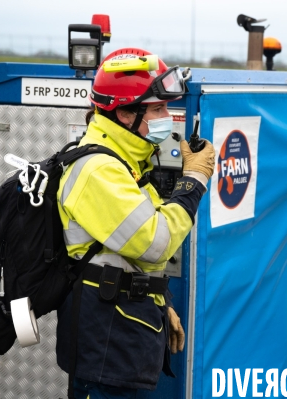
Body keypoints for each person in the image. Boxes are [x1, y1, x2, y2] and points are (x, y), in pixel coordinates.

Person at [55, 47, 215, 399]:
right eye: (158, 108)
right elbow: (157, 242)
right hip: (106, 345)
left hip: (124, 334)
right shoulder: (98, 171)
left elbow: (138, 255)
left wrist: (160, 303)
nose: (167, 116)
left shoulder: (127, 162)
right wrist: (194, 182)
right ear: (126, 113)